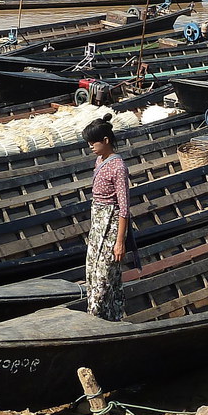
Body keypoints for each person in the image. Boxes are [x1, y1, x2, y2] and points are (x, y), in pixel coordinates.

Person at [83, 115, 130, 321]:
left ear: (106, 141)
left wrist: (120, 242)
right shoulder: (99, 160)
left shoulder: (118, 167)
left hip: (111, 226)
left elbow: (124, 208)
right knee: (92, 274)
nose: (90, 146)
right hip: (97, 223)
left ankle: (101, 317)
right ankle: (99, 316)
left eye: (93, 142)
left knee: (105, 277)